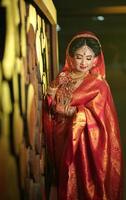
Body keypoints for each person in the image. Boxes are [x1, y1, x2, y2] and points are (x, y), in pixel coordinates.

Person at [43, 31, 123, 200]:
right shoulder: (63, 77)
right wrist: (51, 93)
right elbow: (50, 102)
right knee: (63, 176)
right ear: (71, 57)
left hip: (84, 141)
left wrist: (72, 112)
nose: (83, 62)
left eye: (88, 58)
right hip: (60, 135)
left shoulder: (99, 85)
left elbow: (99, 117)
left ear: (95, 60)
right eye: (79, 57)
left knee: (81, 176)